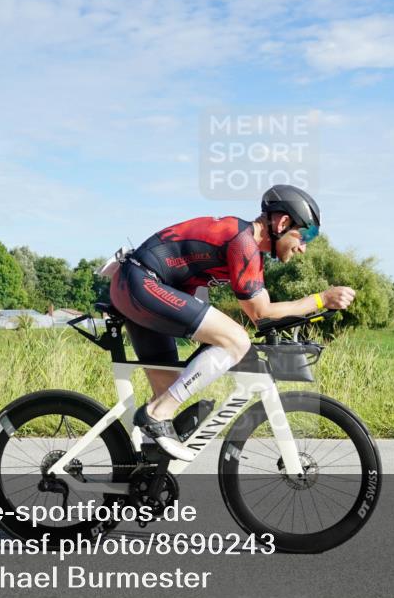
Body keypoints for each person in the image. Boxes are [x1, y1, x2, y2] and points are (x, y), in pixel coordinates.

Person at [108, 185, 355, 460]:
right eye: (306, 234)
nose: (304, 248)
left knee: (169, 390)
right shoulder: (243, 242)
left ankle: (138, 479)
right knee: (236, 340)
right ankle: (156, 415)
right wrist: (321, 300)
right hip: (141, 283)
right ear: (283, 222)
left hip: (139, 285)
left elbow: (267, 310)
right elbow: (260, 313)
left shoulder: (248, 248)